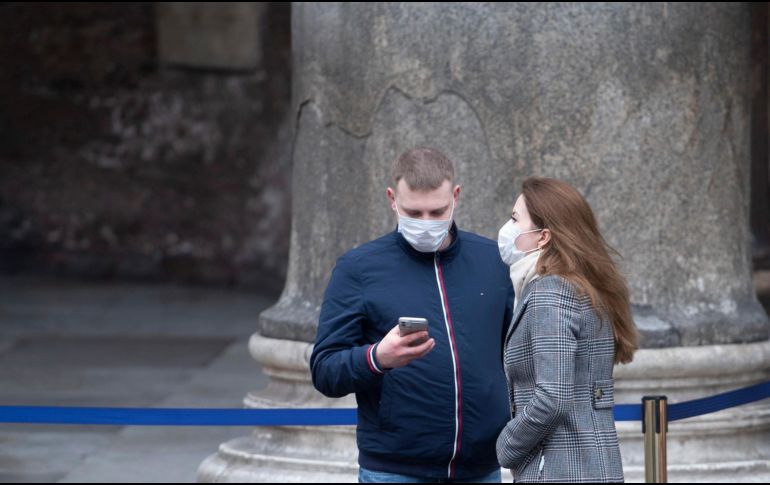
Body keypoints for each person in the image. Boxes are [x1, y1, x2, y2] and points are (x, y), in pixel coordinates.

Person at [310, 147, 514, 483]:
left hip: (482, 467)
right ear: (392, 199)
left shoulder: (492, 262)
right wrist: (377, 357)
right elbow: (324, 370)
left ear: (456, 196)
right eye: (413, 212)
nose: (426, 223)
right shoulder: (358, 268)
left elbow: (521, 348)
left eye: (437, 211)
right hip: (395, 469)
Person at [495, 177, 638, 483]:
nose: (507, 227)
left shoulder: (551, 292)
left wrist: (505, 445)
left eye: (514, 218)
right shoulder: (579, 287)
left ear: (543, 236)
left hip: (561, 470)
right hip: (593, 466)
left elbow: (553, 397)